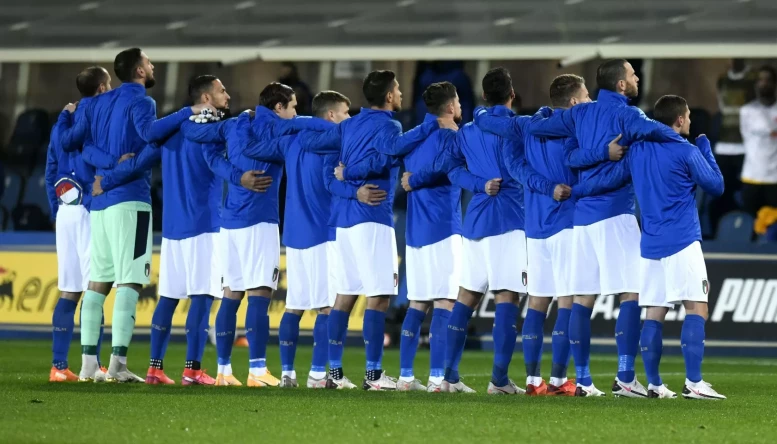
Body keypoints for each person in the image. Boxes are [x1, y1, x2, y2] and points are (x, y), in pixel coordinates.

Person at [475, 59, 684, 397]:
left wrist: (485, 116)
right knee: (599, 297)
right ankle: (593, 379)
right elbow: (642, 139)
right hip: (585, 217)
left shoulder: (548, 123)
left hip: (548, 224)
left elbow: (527, 161)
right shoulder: (601, 122)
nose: (589, 99)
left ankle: (555, 381)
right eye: (585, 95)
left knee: (553, 301)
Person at [90, 75, 271, 386]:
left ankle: (155, 368)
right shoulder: (209, 132)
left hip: (173, 229)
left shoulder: (172, 134)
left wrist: (105, 181)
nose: (227, 95)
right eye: (222, 90)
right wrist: (241, 176)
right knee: (202, 297)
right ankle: (192, 369)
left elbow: (140, 162)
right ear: (205, 97)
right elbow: (216, 163)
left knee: (169, 299)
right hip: (205, 225)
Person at [59, 48, 214, 382]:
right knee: (128, 281)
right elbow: (150, 136)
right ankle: (117, 365)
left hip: (99, 205)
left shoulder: (95, 103)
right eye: (148, 62)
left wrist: (107, 165)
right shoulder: (143, 102)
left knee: (97, 282)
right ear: (139, 71)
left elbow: (75, 144)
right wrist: (189, 111)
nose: (153, 65)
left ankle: (88, 364)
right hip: (130, 201)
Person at [574, 95, 726, 400]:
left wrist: (575, 190)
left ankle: (655, 384)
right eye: (688, 118)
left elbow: (610, 179)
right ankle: (694, 383)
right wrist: (706, 149)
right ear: (680, 120)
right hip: (682, 240)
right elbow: (717, 186)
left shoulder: (638, 151)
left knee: (655, 312)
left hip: (651, 244)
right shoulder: (687, 151)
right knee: (696, 306)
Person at [311, 70, 444, 390]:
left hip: (344, 220)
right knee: (379, 296)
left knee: (344, 295)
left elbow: (316, 143)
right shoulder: (389, 124)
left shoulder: (349, 124)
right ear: (388, 96)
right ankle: (373, 375)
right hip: (372, 217)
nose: (400, 94)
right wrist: (429, 124)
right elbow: (387, 155)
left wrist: (344, 175)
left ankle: (334, 373)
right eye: (397, 89)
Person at [205, 82, 331, 387]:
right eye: (293, 105)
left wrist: (237, 176)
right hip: (259, 220)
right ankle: (258, 371)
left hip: (230, 221)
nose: (296, 111)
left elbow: (210, 155)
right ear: (279, 108)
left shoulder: (238, 124)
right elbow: (312, 128)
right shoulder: (281, 130)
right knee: (259, 294)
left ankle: (223, 371)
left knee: (231, 295)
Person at [373, 81, 490, 392]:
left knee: (417, 304)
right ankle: (439, 379)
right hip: (443, 228)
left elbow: (394, 154)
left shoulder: (413, 136)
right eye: (459, 104)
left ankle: (407, 378)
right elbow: (445, 167)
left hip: (415, 232)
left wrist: (409, 179)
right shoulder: (451, 136)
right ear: (450, 107)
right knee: (445, 302)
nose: (462, 110)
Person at [431, 67, 541, 395]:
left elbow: (451, 169)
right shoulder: (517, 128)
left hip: (475, 222)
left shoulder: (467, 130)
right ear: (512, 95)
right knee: (507, 297)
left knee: (465, 298)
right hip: (508, 220)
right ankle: (499, 381)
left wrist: (478, 184)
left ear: (482, 97)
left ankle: (447, 377)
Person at [496, 74, 588, 396]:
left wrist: (542, 187)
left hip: (534, 227)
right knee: (567, 302)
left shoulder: (529, 128)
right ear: (574, 102)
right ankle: (560, 380)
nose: (589, 101)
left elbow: (516, 167)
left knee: (536, 304)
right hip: (566, 222)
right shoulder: (576, 127)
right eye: (586, 96)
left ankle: (534, 381)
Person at [46, 66, 116, 382]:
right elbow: (96, 156)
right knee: (95, 289)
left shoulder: (62, 123)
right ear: (101, 89)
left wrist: (56, 211)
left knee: (69, 290)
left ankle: (59, 367)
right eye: (110, 84)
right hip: (89, 210)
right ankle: (94, 364)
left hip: (65, 212)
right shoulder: (95, 119)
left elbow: (50, 171)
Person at [739, 65, 777, 218]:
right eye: (760, 80)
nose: (764, 83)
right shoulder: (747, 111)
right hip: (752, 176)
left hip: (774, 178)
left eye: (768, 80)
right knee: (751, 225)